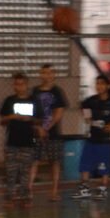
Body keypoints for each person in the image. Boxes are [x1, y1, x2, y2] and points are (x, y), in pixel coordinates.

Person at [71, 75, 110, 200]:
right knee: (84, 164)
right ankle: (84, 189)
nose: (99, 86)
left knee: (103, 166)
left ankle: (103, 189)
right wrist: (87, 118)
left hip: (105, 141)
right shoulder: (92, 100)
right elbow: (83, 107)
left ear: (107, 86)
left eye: (102, 83)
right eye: (97, 83)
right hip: (92, 139)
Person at [0, 72, 41, 208]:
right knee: (11, 171)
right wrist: (12, 117)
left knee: (25, 171)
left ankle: (25, 197)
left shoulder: (34, 101)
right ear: (14, 85)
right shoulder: (9, 100)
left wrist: (31, 119)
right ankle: (10, 197)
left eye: (22, 84)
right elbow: (2, 120)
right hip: (12, 141)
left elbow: (39, 119)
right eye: (16, 84)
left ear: (27, 85)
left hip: (28, 141)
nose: (19, 87)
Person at [28, 64, 68, 201]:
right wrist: (38, 127)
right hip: (36, 132)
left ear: (54, 75)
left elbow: (59, 113)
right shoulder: (34, 92)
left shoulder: (57, 91)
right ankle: (29, 190)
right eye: (44, 72)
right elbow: (31, 112)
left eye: (50, 72)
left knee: (54, 162)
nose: (47, 75)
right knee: (34, 160)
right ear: (40, 75)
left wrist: (47, 127)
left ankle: (54, 191)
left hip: (53, 133)